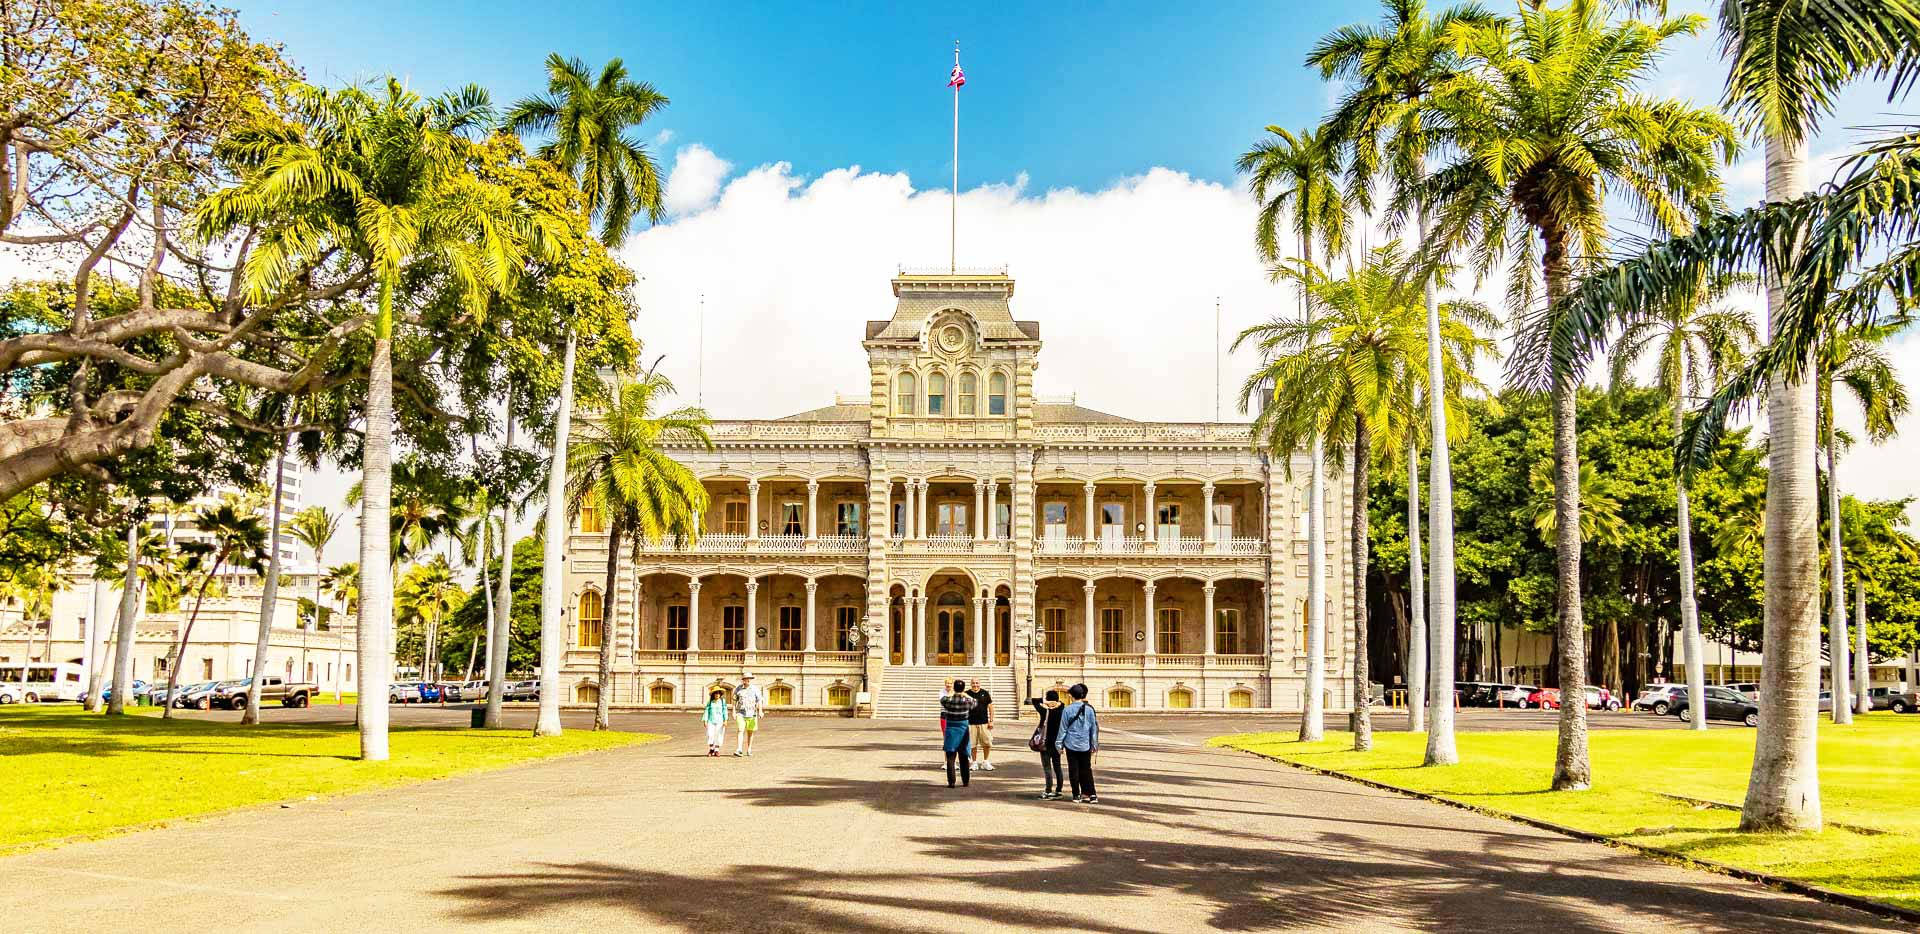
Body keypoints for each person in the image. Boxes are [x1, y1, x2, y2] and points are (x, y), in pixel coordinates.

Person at [1057, 683, 1100, 803]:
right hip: (1085, 743)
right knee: (1086, 769)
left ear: (1071, 696)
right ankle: (1092, 794)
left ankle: (1076, 794)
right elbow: (1093, 729)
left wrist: (1059, 744)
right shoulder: (1090, 709)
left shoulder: (1067, 710)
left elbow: (1063, 729)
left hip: (1071, 743)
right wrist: (1094, 744)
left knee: (1073, 770)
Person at [939, 678, 976, 787]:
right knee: (963, 756)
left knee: (950, 756)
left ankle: (951, 782)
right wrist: (966, 695)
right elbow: (975, 703)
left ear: (954, 688)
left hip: (951, 728)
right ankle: (965, 781)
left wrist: (952, 694)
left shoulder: (948, 700)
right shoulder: (967, 701)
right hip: (963, 728)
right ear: (963, 689)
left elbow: (942, 700)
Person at [1029, 689, 1065, 799]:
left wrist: (1044, 701)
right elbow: (1062, 703)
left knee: (1047, 768)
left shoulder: (1045, 711)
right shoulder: (1062, 709)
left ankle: (1048, 790)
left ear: (1048, 699)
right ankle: (1058, 790)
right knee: (1057, 767)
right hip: (1057, 743)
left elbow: (1034, 701)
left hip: (1045, 743)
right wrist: (1057, 702)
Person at [733, 672, 766, 757]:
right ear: (743, 680)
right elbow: (734, 701)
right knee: (740, 730)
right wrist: (733, 711)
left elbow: (759, 700)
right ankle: (739, 749)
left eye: (749, 679)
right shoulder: (738, 689)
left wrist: (760, 711)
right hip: (740, 712)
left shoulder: (755, 689)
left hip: (752, 714)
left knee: (750, 732)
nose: (747, 680)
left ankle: (749, 749)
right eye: (745, 679)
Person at [965, 677, 995, 771]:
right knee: (972, 745)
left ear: (979, 683)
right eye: (973, 683)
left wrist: (991, 720)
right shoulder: (967, 694)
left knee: (987, 743)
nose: (975, 685)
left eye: (977, 683)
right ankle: (974, 762)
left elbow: (990, 707)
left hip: (984, 723)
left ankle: (985, 761)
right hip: (971, 723)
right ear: (971, 684)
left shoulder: (985, 693)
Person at [701, 689, 730, 757]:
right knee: (710, 734)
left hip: (720, 721)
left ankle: (717, 750)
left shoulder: (722, 702)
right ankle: (711, 749)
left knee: (719, 735)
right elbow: (707, 711)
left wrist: (725, 720)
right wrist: (705, 720)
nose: (717, 694)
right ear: (713, 694)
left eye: (718, 693)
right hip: (711, 721)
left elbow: (725, 711)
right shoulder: (710, 702)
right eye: (716, 693)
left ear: (720, 694)